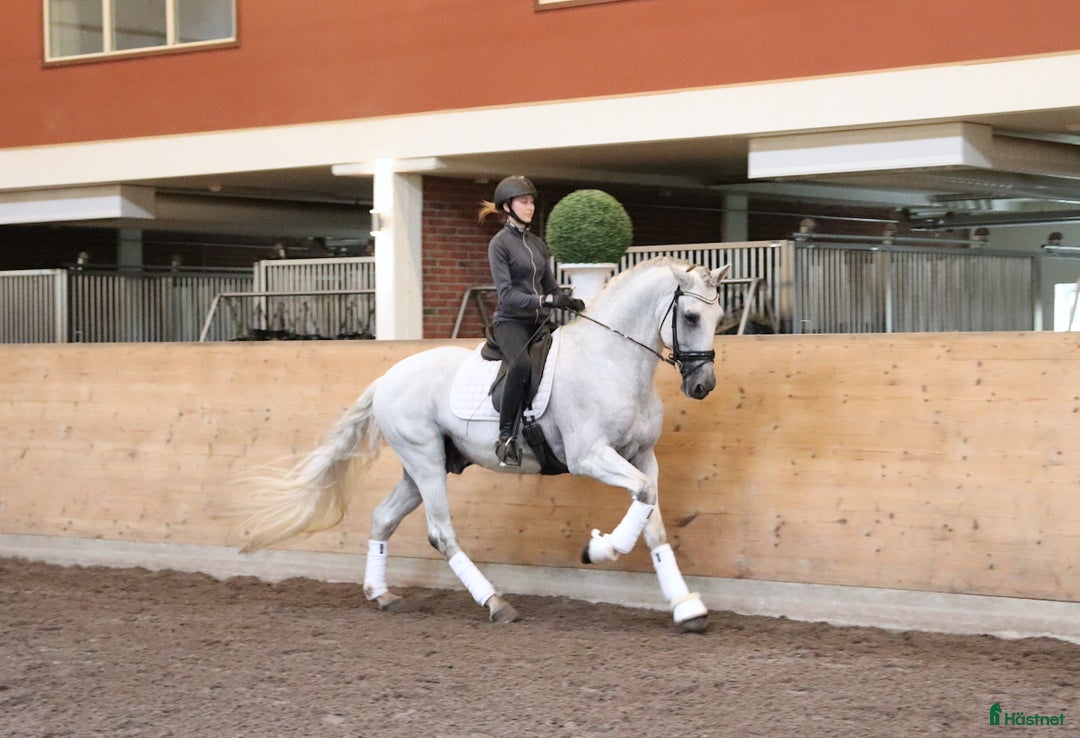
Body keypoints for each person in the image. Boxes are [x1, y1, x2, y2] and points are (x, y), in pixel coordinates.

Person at [479, 175, 585, 467]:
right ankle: (506, 438)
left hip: (541, 323)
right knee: (522, 365)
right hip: (511, 323)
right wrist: (545, 301)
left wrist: (566, 300)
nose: (530, 206)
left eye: (532, 201)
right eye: (524, 201)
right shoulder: (499, 244)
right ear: (507, 206)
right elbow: (507, 295)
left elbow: (550, 286)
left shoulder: (537, 243)